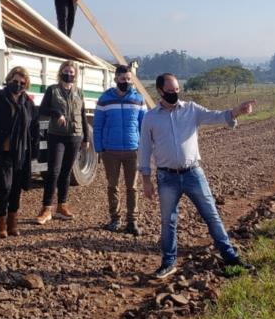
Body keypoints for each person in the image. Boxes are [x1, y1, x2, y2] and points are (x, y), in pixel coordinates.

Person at [139, 73, 256, 279]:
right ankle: (168, 263)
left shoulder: (191, 109)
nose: (175, 94)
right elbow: (145, 149)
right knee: (168, 222)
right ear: (159, 91)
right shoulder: (150, 117)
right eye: (170, 91)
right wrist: (146, 180)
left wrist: (237, 111)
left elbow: (217, 116)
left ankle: (230, 258)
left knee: (211, 215)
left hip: (193, 173)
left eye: (177, 90)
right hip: (167, 178)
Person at [0, 67, 40, 238]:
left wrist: (34, 149)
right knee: (4, 187)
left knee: (17, 188)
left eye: (22, 82)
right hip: (2, 151)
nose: (18, 85)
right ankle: (0, 223)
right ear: (9, 80)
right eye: (15, 81)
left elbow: (33, 127)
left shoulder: (27, 102)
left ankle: (13, 222)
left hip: (21, 152)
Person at [93, 65, 146, 235]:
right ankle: (115, 219)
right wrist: (99, 149)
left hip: (133, 150)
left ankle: (132, 221)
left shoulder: (139, 99)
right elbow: (98, 126)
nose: (126, 82)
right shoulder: (104, 99)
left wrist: (145, 148)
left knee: (132, 188)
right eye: (123, 79)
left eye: (129, 79)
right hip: (110, 151)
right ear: (116, 79)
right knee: (112, 186)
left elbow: (144, 126)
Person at [36, 60, 91, 224]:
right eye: (66, 71)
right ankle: (46, 208)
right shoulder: (53, 90)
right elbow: (43, 109)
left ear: (76, 75)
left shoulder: (79, 92)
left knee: (66, 172)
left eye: (72, 73)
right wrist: (57, 112)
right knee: (54, 171)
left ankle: (62, 206)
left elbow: (82, 115)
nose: (69, 74)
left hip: (75, 136)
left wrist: (86, 138)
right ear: (61, 72)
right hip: (56, 135)